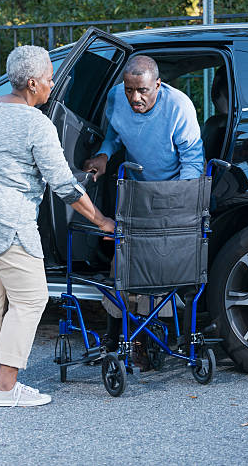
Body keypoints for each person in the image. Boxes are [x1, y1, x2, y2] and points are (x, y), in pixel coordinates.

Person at [0, 45, 115, 408]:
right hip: (6, 214)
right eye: (49, 78)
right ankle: (7, 388)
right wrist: (101, 220)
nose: (52, 84)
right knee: (30, 298)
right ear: (32, 83)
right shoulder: (36, 123)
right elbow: (63, 185)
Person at [84, 55, 204, 368]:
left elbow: (193, 159)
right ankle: (115, 339)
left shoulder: (179, 107)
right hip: (135, 191)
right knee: (122, 264)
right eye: (129, 90)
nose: (135, 97)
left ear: (158, 86)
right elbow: (115, 133)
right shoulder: (116, 96)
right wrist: (104, 155)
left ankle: (146, 339)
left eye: (143, 91)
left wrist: (177, 202)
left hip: (170, 194)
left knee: (156, 268)